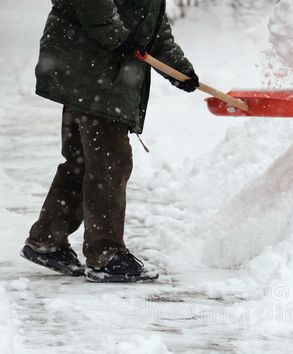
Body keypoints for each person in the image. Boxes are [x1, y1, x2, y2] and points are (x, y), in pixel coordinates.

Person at [21, 0, 199, 283]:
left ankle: (48, 240)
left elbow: (154, 30)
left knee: (81, 162)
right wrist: (118, 38)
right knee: (109, 163)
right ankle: (105, 255)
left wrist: (179, 70)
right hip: (94, 71)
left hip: (94, 71)